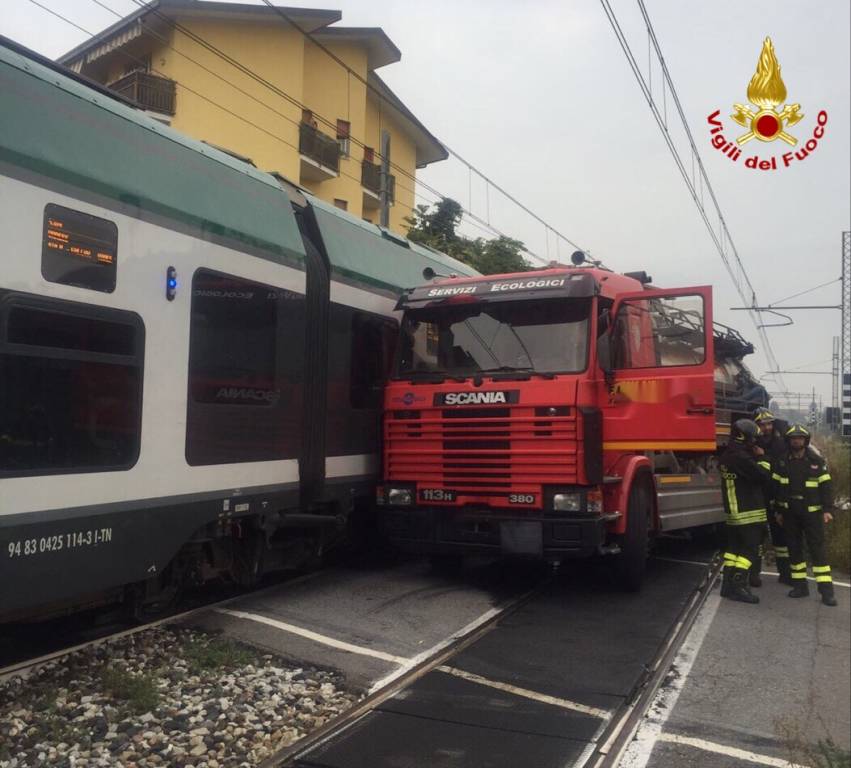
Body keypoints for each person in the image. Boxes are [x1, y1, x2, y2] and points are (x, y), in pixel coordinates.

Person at [774, 424, 837, 607]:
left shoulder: (816, 461)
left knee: (817, 552)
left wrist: (827, 510)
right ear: (789, 440)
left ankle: (827, 592)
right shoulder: (782, 461)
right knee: (794, 550)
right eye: (793, 438)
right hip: (790, 513)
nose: (797, 441)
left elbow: (826, 488)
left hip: (812, 514)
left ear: (805, 440)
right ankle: (800, 587)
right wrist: (778, 510)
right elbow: (777, 488)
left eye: (800, 438)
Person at [719, 419, 773, 604]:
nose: (755, 442)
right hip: (748, 511)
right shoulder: (742, 457)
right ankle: (739, 585)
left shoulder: (727, 455)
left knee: (733, 550)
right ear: (745, 436)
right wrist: (763, 458)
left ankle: (727, 585)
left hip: (733, 514)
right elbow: (763, 476)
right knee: (750, 549)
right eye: (753, 438)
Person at [753, 407, 791, 585]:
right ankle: (754, 576)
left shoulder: (781, 442)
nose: (766, 428)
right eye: (762, 425)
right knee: (758, 537)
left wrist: (764, 456)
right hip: (760, 495)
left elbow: (781, 465)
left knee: (781, 537)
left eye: (768, 424)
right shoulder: (753, 441)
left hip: (777, 495)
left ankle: (785, 574)